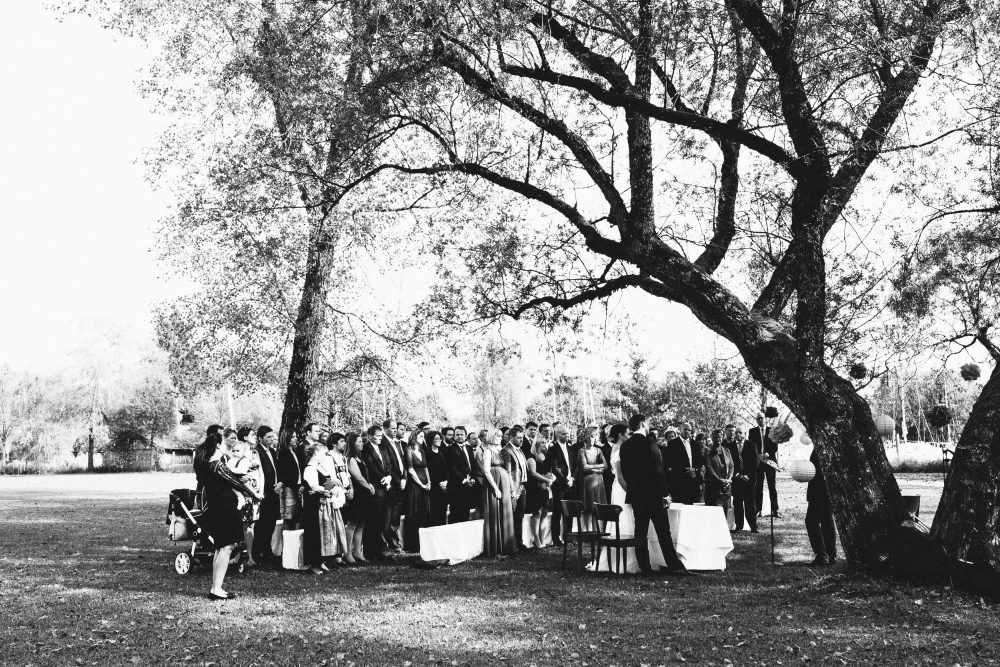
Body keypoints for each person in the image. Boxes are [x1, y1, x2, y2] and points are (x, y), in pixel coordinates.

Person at [619, 414, 691, 576]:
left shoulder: (625, 446)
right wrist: (665, 494)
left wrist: (634, 488)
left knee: (640, 532)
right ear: (643, 424)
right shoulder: (650, 443)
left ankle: (645, 568)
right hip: (653, 495)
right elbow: (659, 471)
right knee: (663, 532)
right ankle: (674, 565)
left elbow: (626, 472)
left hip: (636, 495)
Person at [194, 432, 261, 600]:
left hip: (218, 509)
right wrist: (255, 494)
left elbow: (232, 481)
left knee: (220, 547)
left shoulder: (210, 465)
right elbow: (236, 482)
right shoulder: (217, 465)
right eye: (226, 443)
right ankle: (216, 588)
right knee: (226, 548)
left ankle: (215, 587)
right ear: (218, 445)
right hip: (225, 510)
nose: (230, 446)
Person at [301, 444, 349, 574]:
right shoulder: (310, 469)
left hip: (324, 503)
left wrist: (334, 487)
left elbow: (326, 482)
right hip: (315, 505)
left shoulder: (320, 467)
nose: (326, 455)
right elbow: (314, 486)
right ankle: (313, 563)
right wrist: (327, 490)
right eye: (324, 453)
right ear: (316, 453)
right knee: (315, 533)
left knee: (325, 533)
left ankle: (323, 560)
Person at [227, 429, 264, 566]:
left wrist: (260, 490)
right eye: (253, 435)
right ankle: (238, 555)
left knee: (251, 525)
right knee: (243, 525)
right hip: (245, 493)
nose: (255, 437)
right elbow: (241, 478)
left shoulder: (254, 453)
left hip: (255, 492)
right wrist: (253, 492)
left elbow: (260, 473)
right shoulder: (237, 457)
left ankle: (249, 555)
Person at [479, 428, 517, 557]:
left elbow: (508, 470)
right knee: (495, 513)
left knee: (505, 512)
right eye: (498, 436)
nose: (500, 438)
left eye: (501, 436)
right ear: (491, 436)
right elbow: (486, 471)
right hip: (494, 483)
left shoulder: (500, 451)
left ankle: (506, 547)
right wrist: (495, 488)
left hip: (504, 483)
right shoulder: (488, 452)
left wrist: (512, 488)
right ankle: (496, 548)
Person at [360, 424, 392, 559]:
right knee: (373, 520)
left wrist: (389, 476)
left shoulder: (383, 448)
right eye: (377, 436)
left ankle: (380, 549)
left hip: (386, 487)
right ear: (370, 436)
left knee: (383, 520)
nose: (380, 438)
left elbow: (389, 464)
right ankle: (371, 551)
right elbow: (371, 467)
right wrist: (382, 478)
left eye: (381, 436)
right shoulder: (366, 450)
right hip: (375, 488)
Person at [343, 432, 373, 564]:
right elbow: (358, 478)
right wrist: (369, 487)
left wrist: (369, 484)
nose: (362, 443)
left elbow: (365, 476)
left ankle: (358, 552)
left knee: (361, 524)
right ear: (352, 444)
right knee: (352, 524)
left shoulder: (360, 458)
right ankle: (348, 552)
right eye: (359, 441)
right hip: (357, 495)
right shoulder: (350, 459)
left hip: (364, 494)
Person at [806, 448, 837, 565]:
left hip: (820, 492)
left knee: (811, 522)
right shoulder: (827, 444)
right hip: (827, 491)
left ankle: (821, 555)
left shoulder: (821, 448)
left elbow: (819, 472)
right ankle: (831, 555)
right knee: (827, 522)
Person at [381, 419, 408, 553]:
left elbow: (402, 463)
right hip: (391, 485)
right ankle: (392, 545)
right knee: (389, 517)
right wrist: (398, 480)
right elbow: (388, 466)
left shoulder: (396, 443)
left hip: (401, 483)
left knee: (396, 517)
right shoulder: (383, 443)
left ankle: (395, 543)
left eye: (396, 428)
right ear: (385, 429)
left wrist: (404, 478)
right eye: (392, 428)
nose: (395, 431)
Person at [726, 423, 759, 533]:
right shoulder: (730, 447)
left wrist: (748, 475)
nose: (737, 434)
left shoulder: (751, 445)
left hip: (749, 479)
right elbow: (730, 464)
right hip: (737, 480)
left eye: (740, 432)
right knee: (738, 503)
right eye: (736, 432)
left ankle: (753, 526)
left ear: (745, 434)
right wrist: (738, 475)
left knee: (750, 504)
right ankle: (739, 526)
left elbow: (755, 462)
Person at [403, 430, 432, 552]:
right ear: (414, 437)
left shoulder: (421, 450)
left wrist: (429, 482)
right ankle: (413, 545)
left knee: (424, 512)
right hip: (415, 485)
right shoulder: (408, 450)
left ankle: (424, 543)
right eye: (420, 436)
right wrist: (421, 484)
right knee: (414, 513)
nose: (422, 438)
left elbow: (425, 467)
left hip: (425, 484)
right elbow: (410, 469)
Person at [548, 424, 577, 546]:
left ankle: (568, 536)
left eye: (568, 433)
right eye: (564, 434)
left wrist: (572, 478)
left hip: (571, 483)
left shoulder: (570, 448)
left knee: (569, 512)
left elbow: (575, 465)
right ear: (558, 435)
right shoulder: (553, 449)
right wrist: (566, 480)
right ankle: (556, 539)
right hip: (560, 484)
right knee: (558, 511)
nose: (567, 435)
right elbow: (555, 468)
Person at [501, 428, 529, 550]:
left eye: (522, 437)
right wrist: (513, 490)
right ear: (511, 437)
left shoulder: (520, 450)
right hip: (513, 488)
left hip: (522, 486)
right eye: (519, 437)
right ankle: (511, 545)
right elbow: (508, 472)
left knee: (520, 516)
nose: (522, 440)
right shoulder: (506, 451)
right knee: (512, 517)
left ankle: (519, 542)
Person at [525, 437, 555, 549]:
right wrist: (546, 480)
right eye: (542, 442)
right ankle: (536, 539)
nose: (545, 444)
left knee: (545, 513)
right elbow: (532, 473)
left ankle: (543, 539)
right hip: (534, 488)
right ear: (536, 444)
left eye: (545, 442)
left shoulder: (547, 456)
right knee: (536, 513)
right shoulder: (531, 457)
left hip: (545, 487)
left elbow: (550, 470)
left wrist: (550, 478)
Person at [663, 422, 704, 505]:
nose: (687, 431)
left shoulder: (695, 444)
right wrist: (685, 470)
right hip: (679, 480)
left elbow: (700, 460)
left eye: (689, 430)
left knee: (693, 507)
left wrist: (694, 469)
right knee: (680, 506)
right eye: (685, 429)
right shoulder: (672, 443)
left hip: (694, 480)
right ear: (680, 429)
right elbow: (670, 462)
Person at [750, 413, 781, 518]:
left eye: (761, 418)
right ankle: (758, 509)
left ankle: (775, 510)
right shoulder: (752, 431)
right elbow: (751, 446)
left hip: (770, 461)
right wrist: (758, 455)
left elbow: (775, 446)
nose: (760, 420)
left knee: (772, 486)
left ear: (765, 419)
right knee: (758, 486)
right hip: (759, 462)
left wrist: (767, 454)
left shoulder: (772, 430)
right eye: (758, 418)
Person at [577, 430, 608, 531]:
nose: (591, 439)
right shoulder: (582, 450)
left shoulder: (598, 450)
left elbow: (606, 465)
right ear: (585, 438)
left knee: (598, 507)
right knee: (588, 507)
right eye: (589, 437)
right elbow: (584, 466)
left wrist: (593, 467)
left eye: (593, 436)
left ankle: (598, 531)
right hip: (588, 481)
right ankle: (586, 531)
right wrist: (599, 469)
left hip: (599, 480)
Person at [703, 429, 734, 520]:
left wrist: (728, 479)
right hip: (713, 485)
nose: (718, 439)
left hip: (725, 486)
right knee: (713, 511)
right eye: (715, 437)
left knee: (725, 510)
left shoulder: (726, 450)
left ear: (722, 437)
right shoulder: (707, 450)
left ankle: (723, 531)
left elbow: (731, 466)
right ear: (712, 438)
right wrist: (719, 480)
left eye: (719, 437)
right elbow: (709, 468)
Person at [276, 429, 303, 530]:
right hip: (288, 487)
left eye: (296, 436)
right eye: (293, 437)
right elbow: (284, 472)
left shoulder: (294, 451)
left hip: (297, 486)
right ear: (287, 438)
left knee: (296, 515)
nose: (295, 438)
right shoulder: (283, 453)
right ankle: (285, 542)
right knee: (288, 516)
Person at [425, 430, 449, 526]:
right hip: (434, 487)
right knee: (435, 512)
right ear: (431, 440)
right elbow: (430, 471)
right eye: (436, 439)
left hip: (443, 486)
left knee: (443, 512)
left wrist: (445, 482)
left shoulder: (441, 453)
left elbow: (446, 469)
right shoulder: (427, 454)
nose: (438, 440)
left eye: (439, 438)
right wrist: (439, 483)